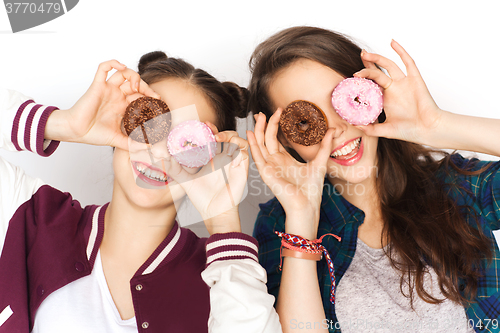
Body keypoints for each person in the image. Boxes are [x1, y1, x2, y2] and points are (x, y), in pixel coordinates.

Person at [0, 52, 281, 332]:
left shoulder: (222, 274)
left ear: (211, 162)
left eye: (187, 143)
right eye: (149, 124)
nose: (161, 154)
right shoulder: (31, 217)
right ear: (119, 122)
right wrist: (67, 125)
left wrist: (225, 225)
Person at [247, 26, 500, 333]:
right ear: (285, 142)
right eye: (305, 121)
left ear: (375, 94)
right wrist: (301, 217)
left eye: (347, 99)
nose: (336, 128)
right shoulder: (278, 223)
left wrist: (438, 124)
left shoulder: (456, 186)